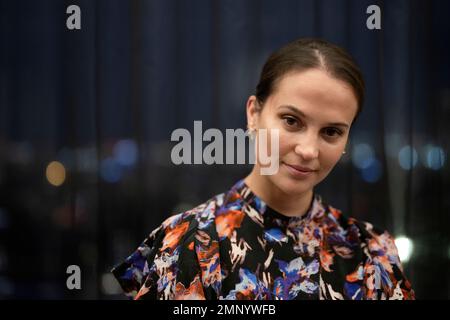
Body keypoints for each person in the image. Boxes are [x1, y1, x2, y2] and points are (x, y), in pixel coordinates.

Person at [111, 38, 415, 300]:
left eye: (331, 132)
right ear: (254, 114)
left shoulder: (371, 253)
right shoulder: (189, 245)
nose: (308, 150)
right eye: (291, 121)